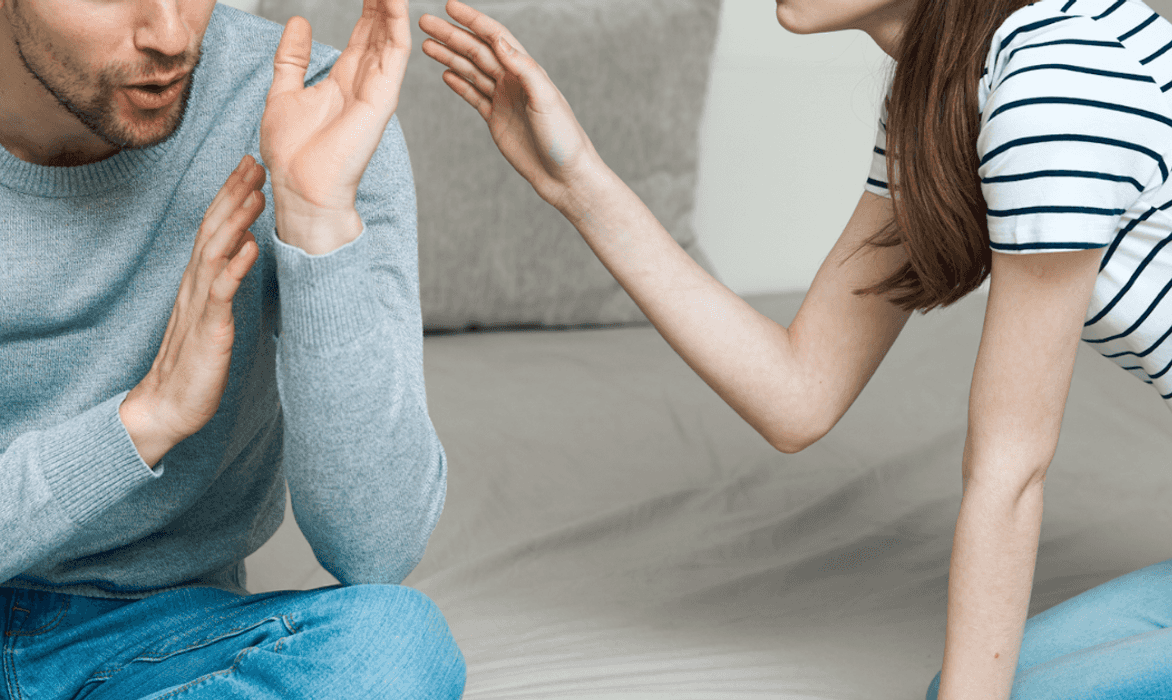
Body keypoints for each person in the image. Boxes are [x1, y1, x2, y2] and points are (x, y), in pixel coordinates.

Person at [419, 0, 1172, 697]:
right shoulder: (944, 93)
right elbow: (799, 394)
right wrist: (577, 184)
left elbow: (1011, 467)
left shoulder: (1056, 83)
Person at [0, 0, 465, 696]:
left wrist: (317, 223)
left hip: (164, 634)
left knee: (391, 646)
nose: (171, 35)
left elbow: (377, 550)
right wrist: (141, 425)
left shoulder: (315, 109)